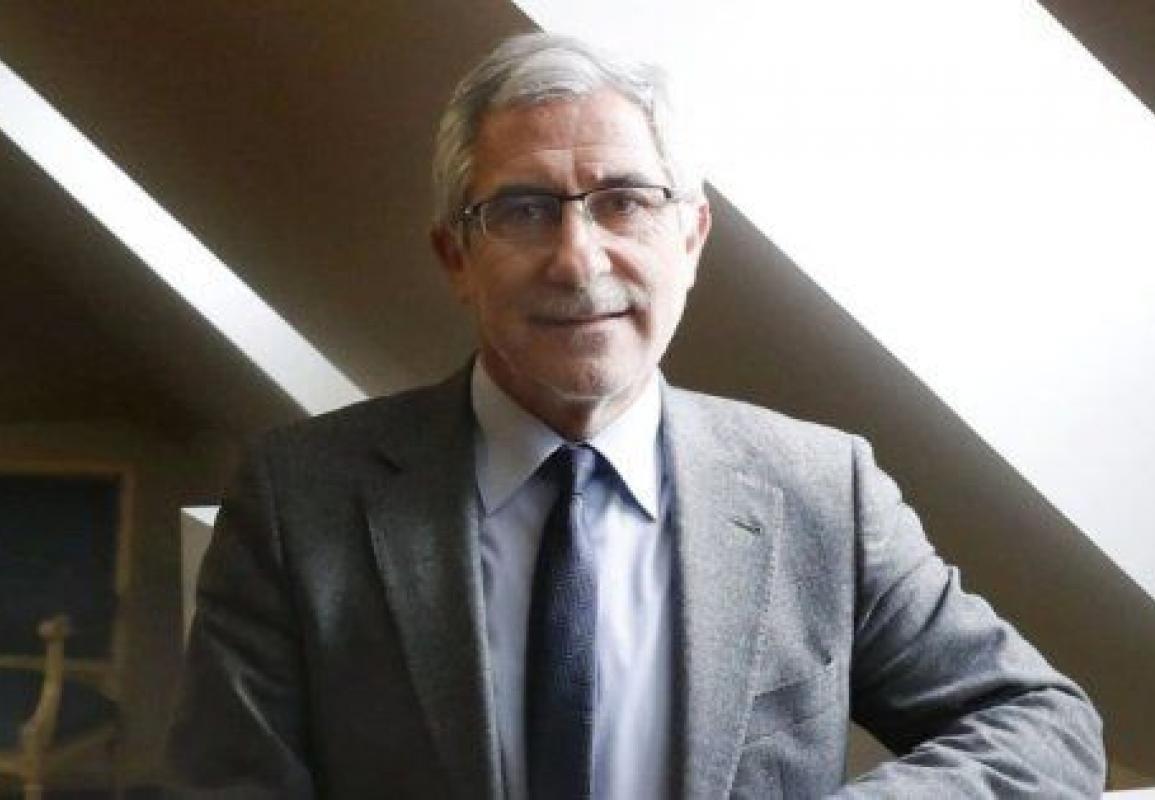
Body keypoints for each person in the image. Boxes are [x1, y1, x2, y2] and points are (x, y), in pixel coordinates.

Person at [168, 32, 1105, 799]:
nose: (579, 260)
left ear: (690, 238)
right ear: (456, 257)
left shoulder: (822, 490)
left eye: (624, 202)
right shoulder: (301, 498)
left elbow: (1040, 724)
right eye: (524, 211)